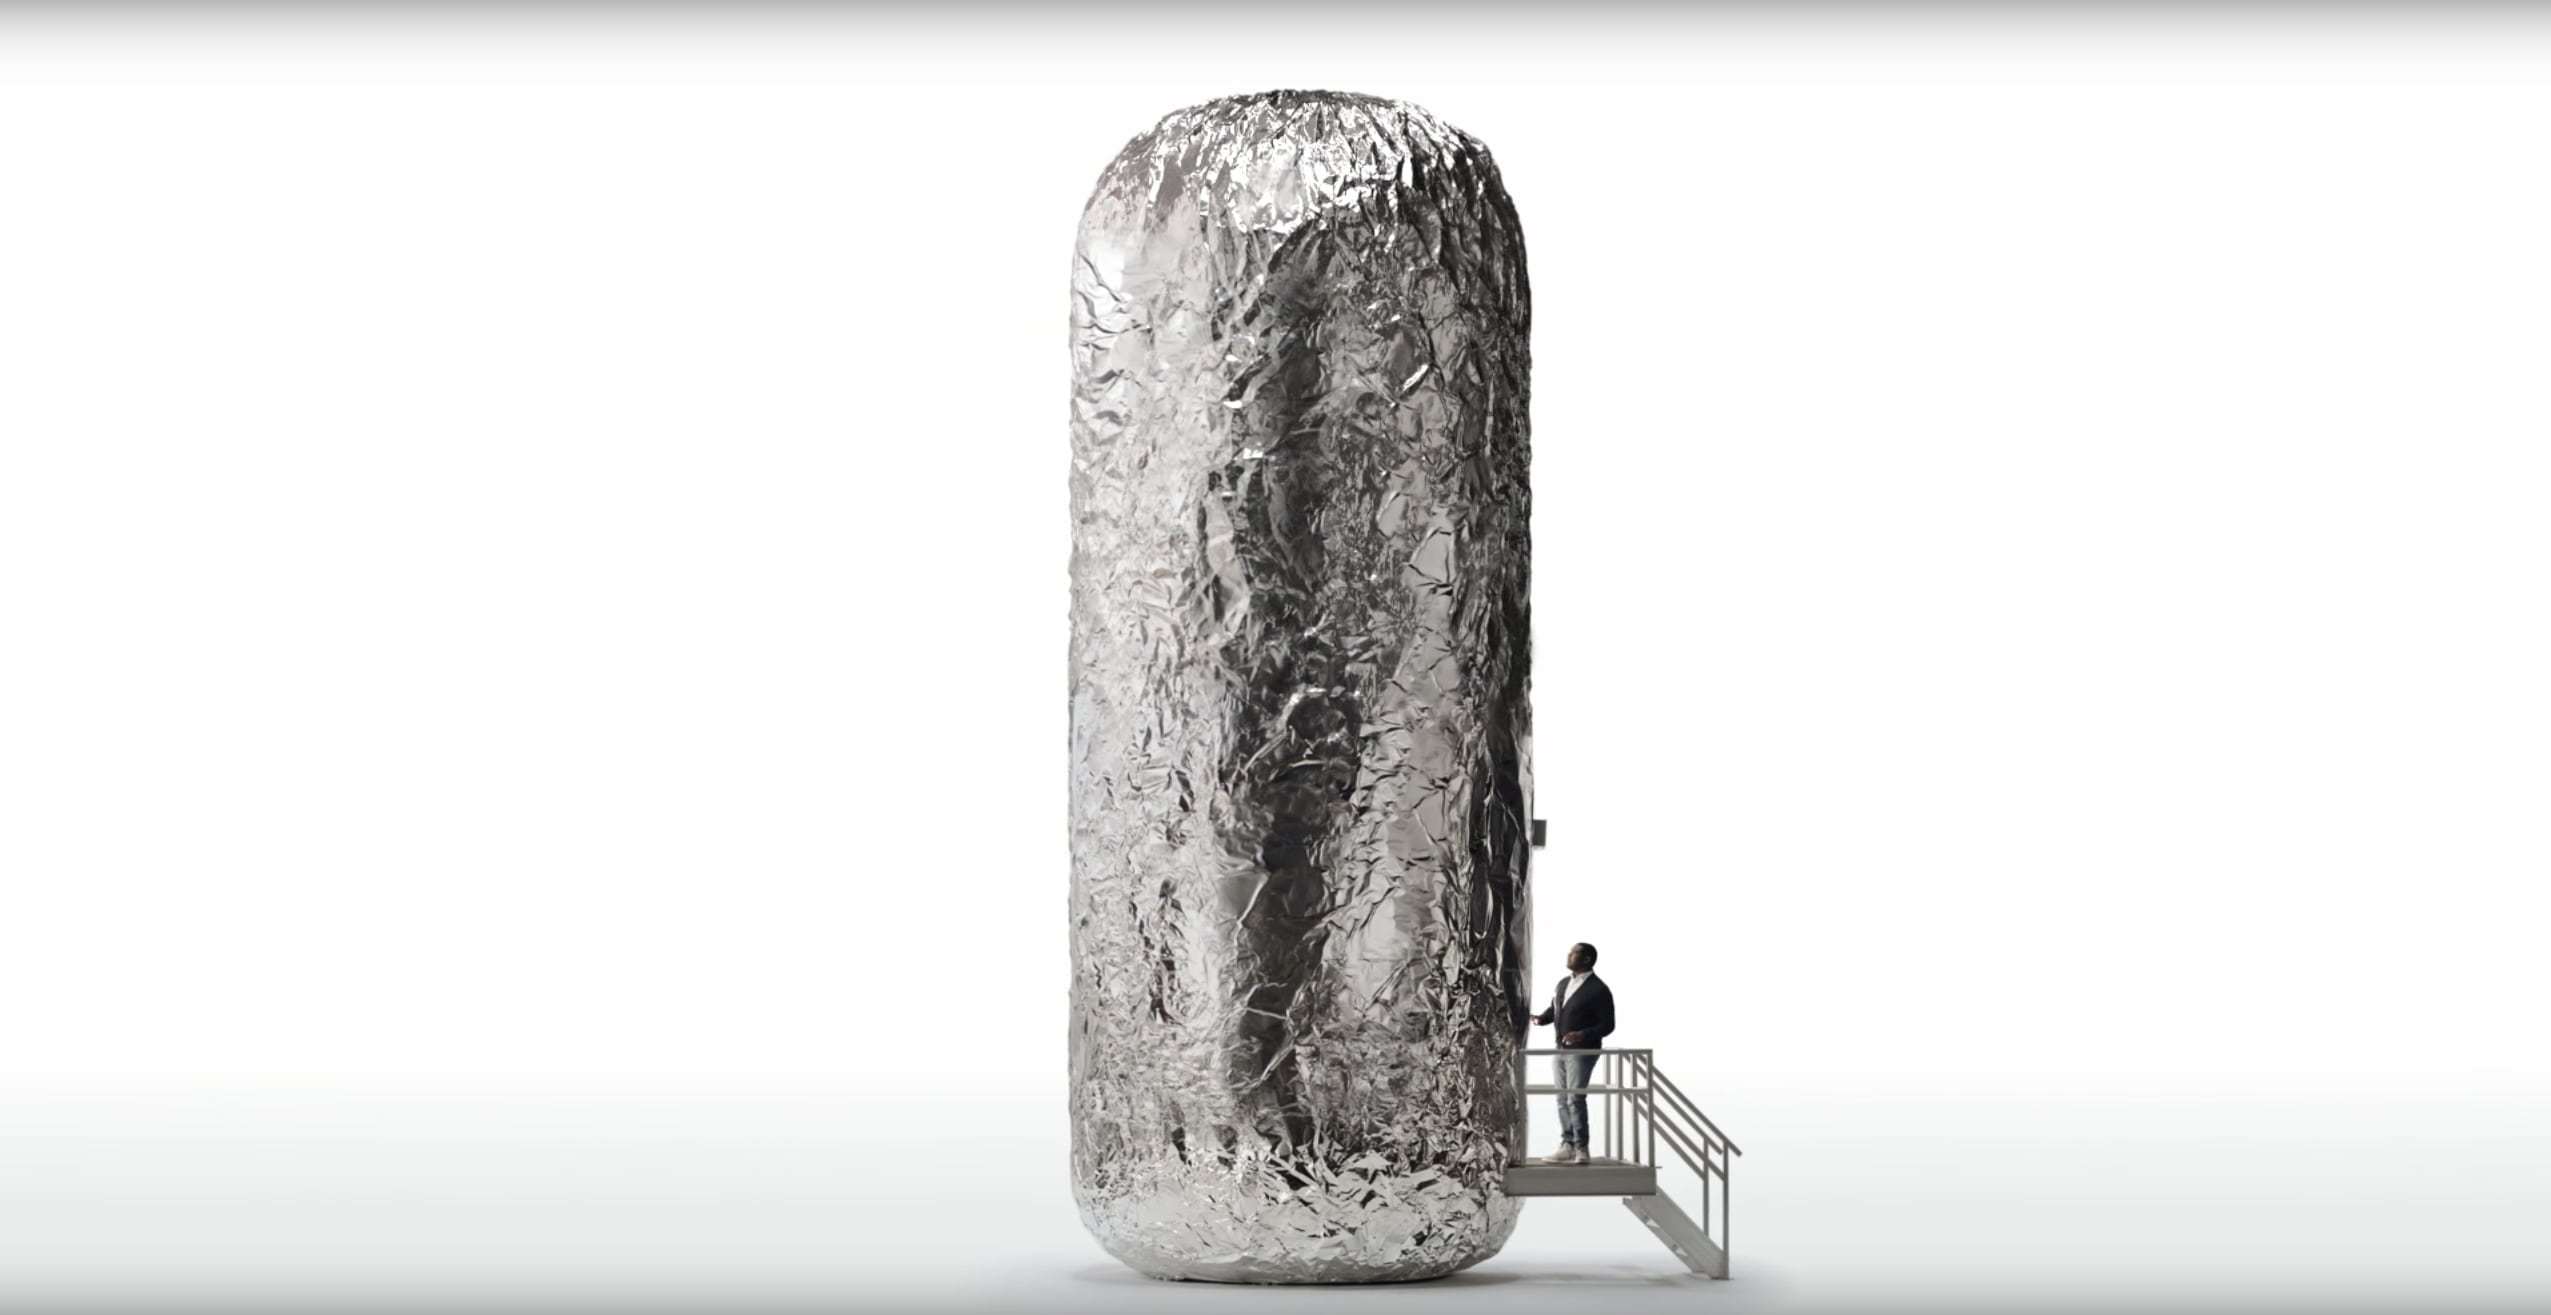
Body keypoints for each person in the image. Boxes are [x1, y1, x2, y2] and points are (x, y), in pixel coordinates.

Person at [1531, 942, 1614, 1164]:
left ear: (1586, 959)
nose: (1569, 956)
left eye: (1573, 953)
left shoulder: (1598, 989)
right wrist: (1540, 1018)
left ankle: (1581, 1149)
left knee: (1575, 1098)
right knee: (1561, 1098)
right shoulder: (1562, 984)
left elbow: (1607, 1025)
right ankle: (1567, 1144)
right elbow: (1555, 1010)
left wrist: (1582, 1035)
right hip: (1560, 1049)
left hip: (1582, 1051)